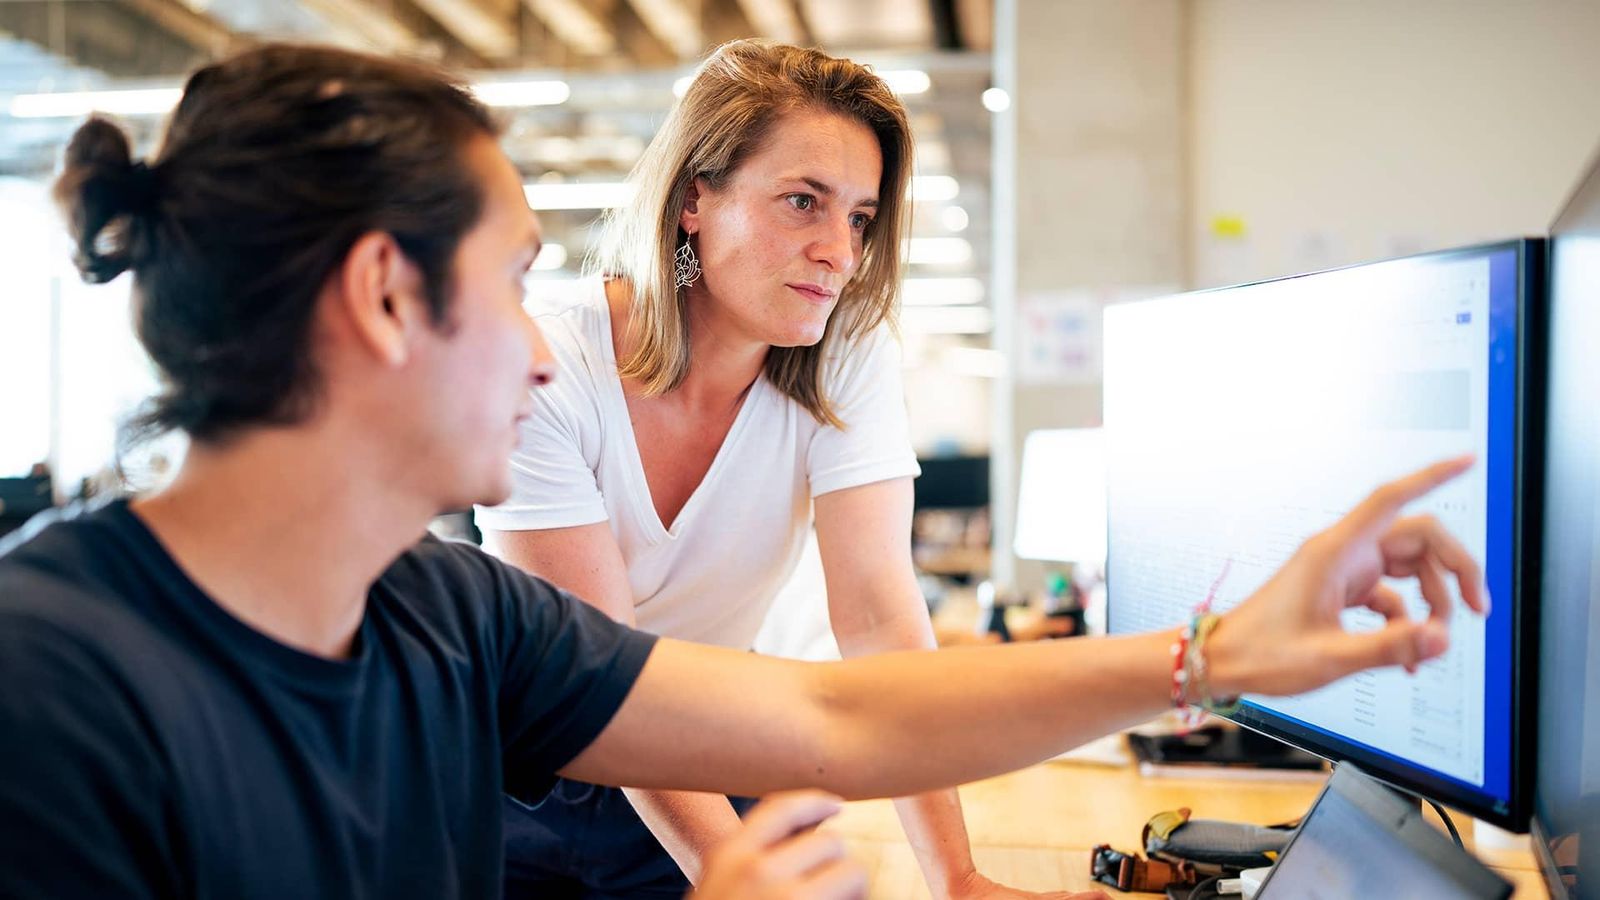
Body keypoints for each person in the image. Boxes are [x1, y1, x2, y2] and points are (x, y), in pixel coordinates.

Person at [0, 43, 1486, 900]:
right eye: (514, 284)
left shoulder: (449, 624)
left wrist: (1215, 654)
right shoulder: (54, 692)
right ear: (388, 297)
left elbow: (836, 706)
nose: (540, 351)